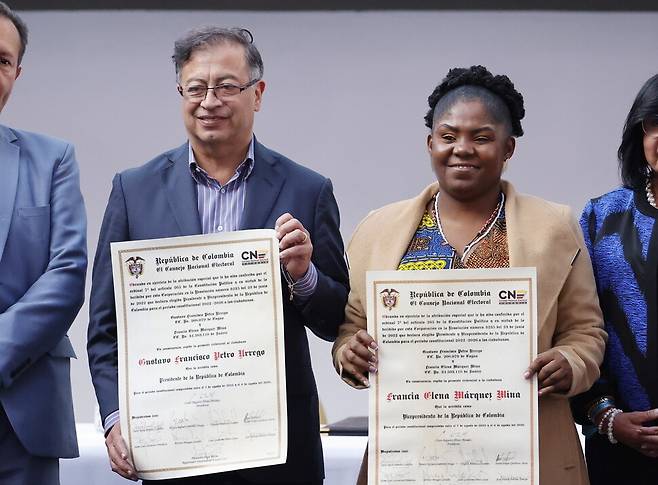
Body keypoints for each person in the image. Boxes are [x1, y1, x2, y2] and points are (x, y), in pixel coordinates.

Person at [87, 26, 349, 485]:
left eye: (228, 86)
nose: (210, 100)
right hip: (171, 449)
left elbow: (335, 321)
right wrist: (113, 416)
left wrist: (304, 275)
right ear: (180, 93)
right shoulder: (134, 190)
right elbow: (105, 330)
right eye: (196, 88)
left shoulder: (307, 189)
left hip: (279, 453)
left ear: (257, 93)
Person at [331, 65, 606, 485]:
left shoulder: (554, 227)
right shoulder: (379, 229)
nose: (462, 148)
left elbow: (586, 331)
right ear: (430, 143)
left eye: (481, 137)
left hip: (525, 452)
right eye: (448, 136)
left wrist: (570, 362)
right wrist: (349, 353)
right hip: (412, 453)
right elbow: (353, 327)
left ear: (508, 148)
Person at [0, 3, 87, 484]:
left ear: (17, 71)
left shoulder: (52, 159)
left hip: (22, 413)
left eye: (2, 60)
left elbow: (67, 273)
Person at [570, 73, 658, 485]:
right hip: (619, 445)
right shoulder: (601, 217)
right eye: (654, 123)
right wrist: (608, 417)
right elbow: (575, 328)